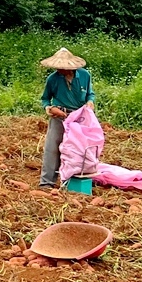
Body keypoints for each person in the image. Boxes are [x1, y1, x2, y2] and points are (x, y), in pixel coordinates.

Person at [39, 48, 95, 188]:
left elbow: (90, 94)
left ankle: (74, 181)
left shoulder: (84, 75)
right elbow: (45, 99)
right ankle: (47, 182)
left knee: (79, 149)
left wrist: (90, 102)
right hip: (59, 117)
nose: (60, 69)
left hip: (79, 118)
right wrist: (50, 109)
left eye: (62, 67)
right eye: (58, 67)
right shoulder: (52, 79)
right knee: (52, 147)